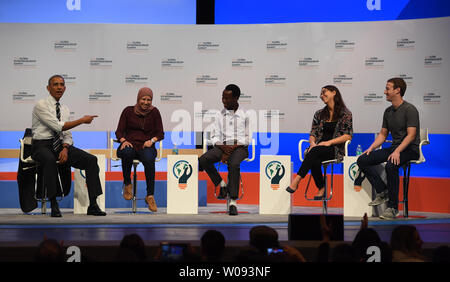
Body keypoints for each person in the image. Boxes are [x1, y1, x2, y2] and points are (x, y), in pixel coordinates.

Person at [31, 75, 106, 217]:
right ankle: (53, 203)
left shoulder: (64, 109)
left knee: (91, 160)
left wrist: (65, 148)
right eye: (55, 84)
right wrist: (82, 120)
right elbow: (58, 126)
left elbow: (67, 134)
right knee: (49, 160)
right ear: (48, 88)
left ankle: (93, 204)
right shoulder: (40, 105)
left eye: (61, 85)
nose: (59, 87)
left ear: (64, 88)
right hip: (41, 145)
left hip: (59, 146)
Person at [356, 77, 420, 219]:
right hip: (395, 148)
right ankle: (382, 191)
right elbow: (383, 134)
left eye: (388, 88)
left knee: (391, 165)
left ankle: (393, 208)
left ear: (397, 90)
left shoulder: (410, 109)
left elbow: (411, 135)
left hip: (410, 149)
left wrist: (397, 151)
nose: (385, 92)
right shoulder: (388, 111)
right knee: (362, 160)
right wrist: (371, 148)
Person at [286, 85, 353, 199]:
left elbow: (348, 136)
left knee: (313, 153)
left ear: (334, 93)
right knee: (313, 157)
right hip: (318, 148)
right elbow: (313, 133)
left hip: (335, 149)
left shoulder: (345, 113)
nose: (321, 96)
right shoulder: (319, 114)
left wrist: (329, 142)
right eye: (321, 94)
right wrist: (312, 143)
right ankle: (321, 187)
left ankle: (297, 179)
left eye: (324, 92)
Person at [199, 84, 251, 216]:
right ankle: (221, 184)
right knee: (203, 159)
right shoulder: (219, 115)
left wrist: (233, 147)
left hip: (240, 147)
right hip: (222, 146)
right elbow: (214, 136)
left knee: (233, 164)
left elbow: (248, 138)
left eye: (227, 98)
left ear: (236, 98)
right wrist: (223, 147)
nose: (224, 101)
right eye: (223, 98)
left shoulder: (246, 115)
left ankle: (233, 202)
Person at [115, 87, 164, 212]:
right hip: (129, 144)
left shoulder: (155, 112)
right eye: (143, 99)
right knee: (127, 152)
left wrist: (151, 141)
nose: (146, 102)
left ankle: (150, 195)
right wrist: (123, 141)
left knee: (148, 158)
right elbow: (119, 131)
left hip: (145, 145)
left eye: (149, 100)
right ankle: (127, 184)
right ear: (138, 99)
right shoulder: (128, 111)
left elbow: (160, 133)